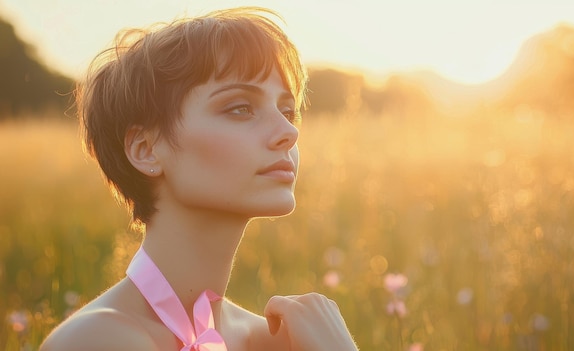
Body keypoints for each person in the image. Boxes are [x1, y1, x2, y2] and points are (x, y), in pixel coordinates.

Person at [40, 7, 358, 351]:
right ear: (146, 148)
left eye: (287, 111)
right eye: (240, 108)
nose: (288, 132)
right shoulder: (96, 340)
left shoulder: (279, 339)